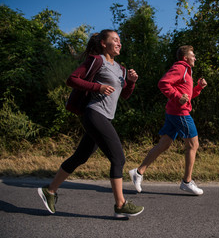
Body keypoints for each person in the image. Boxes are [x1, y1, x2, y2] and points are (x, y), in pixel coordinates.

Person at [37, 29, 144, 218]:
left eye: (120, 40)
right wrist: (98, 87)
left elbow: (124, 95)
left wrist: (131, 82)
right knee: (118, 158)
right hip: (94, 114)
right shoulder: (97, 60)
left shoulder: (121, 69)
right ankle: (120, 204)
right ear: (103, 43)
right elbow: (72, 79)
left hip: (105, 117)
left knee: (80, 157)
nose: (119, 43)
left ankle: (50, 191)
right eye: (115, 40)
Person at [129, 45, 207, 195]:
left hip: (174, 112)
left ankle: (138, 172)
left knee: (164, 144)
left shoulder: (187, 72)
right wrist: (177, 97)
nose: (195, 58)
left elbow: (187, 97)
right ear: (185, 58)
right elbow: (163, 83)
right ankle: (187, 182)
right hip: (180, 113)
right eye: (193, 55)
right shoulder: (180, 68)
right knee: (193, 144)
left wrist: (198, 87)